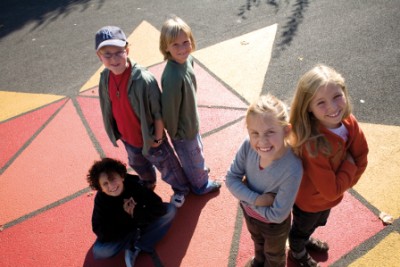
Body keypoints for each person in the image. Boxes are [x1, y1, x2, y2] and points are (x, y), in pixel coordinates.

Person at [95, 25, 191, 208]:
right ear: (99, 56)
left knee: (168, 166)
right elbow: (109, 106)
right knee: (138, 165)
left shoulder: (143, 79)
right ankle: (148, 182)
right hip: (128, 138)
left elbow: (157, 111)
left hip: (151, 138)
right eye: (107, 54)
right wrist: (118, 133)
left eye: (119, 52)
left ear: (127, 50)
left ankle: (181, 189)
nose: (114, 58)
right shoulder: (104, 77)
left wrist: (158, 136)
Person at [288, 64, 369, 267]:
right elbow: (332, 188)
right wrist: (348, 167)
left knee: (317, 222)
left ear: (344, 91)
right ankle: (297, 250)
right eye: (321, 102)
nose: (333, 107)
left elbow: (362, 156)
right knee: (302, 227)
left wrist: (344, 182)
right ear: (308, 107)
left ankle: (305, 239)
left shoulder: (349, 121)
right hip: (308, 202)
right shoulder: (313, 144)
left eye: (336, 96)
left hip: (327, 198)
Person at [225, 94, 303, 267]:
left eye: (270, 132)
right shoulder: (247, 145)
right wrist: (257, 200)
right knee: (257, 242)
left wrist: (244, 196)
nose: (262, 141)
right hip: (250, 214)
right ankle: (259, 261)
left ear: (286, 130)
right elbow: (230, 178)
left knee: (274, 255)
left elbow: (277, 215)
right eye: (255, 133)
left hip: (274, 226)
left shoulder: (292, 168)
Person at [159, 15, 221, 203]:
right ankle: (200, 184)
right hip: (183, 130)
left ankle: (197, 171)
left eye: (185, 42)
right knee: (191, 154)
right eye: (175, 45)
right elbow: (169, 111)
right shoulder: (172, 77)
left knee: (196, 152)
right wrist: (176, 133)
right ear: (166, 47)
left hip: (190, 121)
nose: (182, 49)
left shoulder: (188, 60)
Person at [87, 157, 177, 267]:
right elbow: (99, 229)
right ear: (100, 188)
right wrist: (125, 216)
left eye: (113, 179)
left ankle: (139, 245)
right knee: (99, 251)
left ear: (122, 176)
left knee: (170, 210)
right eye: (105, 184)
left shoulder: (135, 184)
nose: (111, 186)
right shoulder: (101, 200)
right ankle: (133, 243)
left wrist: (136, 213)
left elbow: (158, 206)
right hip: (123, 232)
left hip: (142, 222)